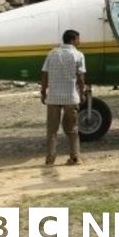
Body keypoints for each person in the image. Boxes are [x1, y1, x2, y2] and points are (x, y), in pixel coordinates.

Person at [40, 29, 86, 165]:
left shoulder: (52, 53)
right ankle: (75, 157)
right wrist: (82, 93)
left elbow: (44, 75)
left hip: (53, 97)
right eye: (78, 39)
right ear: (72, 40)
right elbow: (81, 77)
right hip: (71, 97)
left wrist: (43, 92)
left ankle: (50, 158)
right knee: (72, 129)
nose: (80, 42)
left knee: (52, 130)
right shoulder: (78, 55)